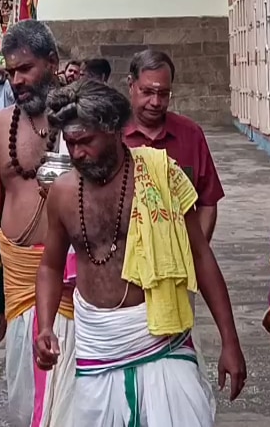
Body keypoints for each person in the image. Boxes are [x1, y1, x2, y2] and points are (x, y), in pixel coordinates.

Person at [35, 79, 246, 425]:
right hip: (97, 345)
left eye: (86, 141)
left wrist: (230, 341)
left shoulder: (161, 174)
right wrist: (45, 327)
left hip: (161, 339)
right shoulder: (62, 192)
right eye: (71, 144)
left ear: (116, 130)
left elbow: (200, 255)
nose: (77, 154)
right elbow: (49, 267)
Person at [0, 20, 75, 427]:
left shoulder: (81, 118)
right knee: (28, 406)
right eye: (11, 72)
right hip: (22, 282)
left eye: (27, 69)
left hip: (78, 282)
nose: (18, 80)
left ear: (52, 62)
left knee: (80, 403)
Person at [124, 50, 225, 241]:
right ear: (131, 85)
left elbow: (208, 202)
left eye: (163, 94)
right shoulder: (112, 136)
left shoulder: (191, 135)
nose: (155, 102)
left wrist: (195, 255)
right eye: (147, 92)